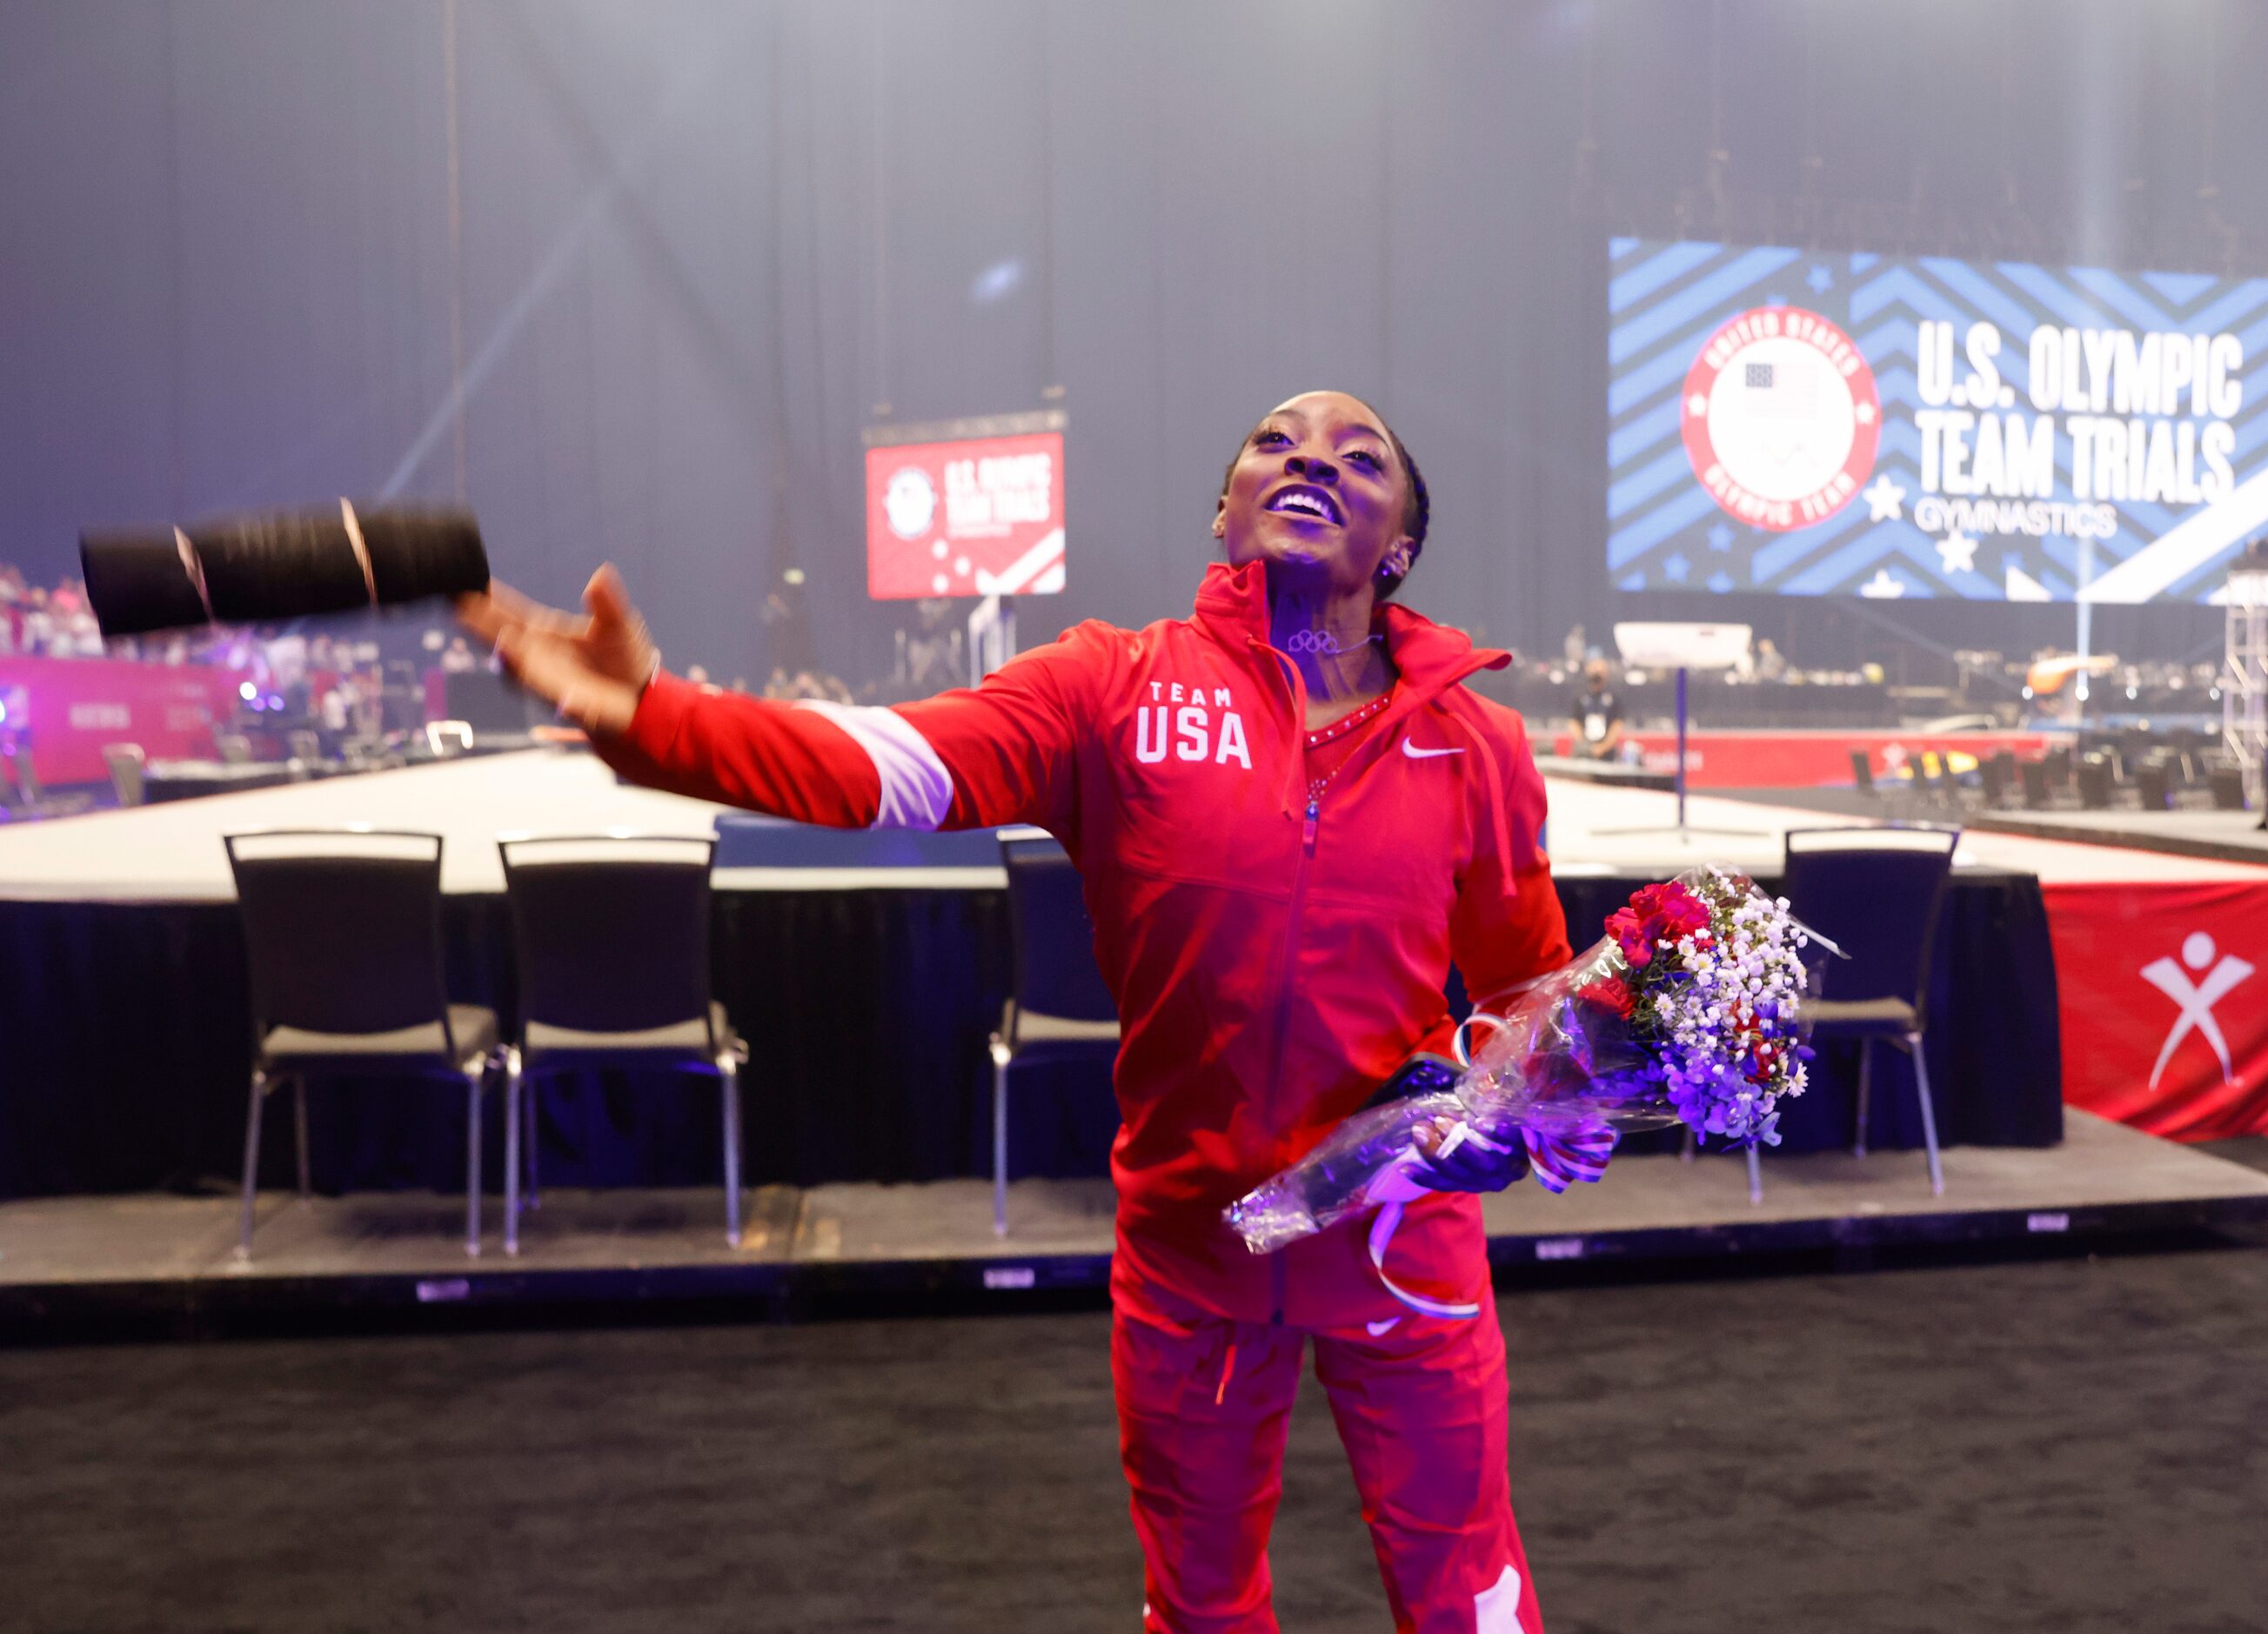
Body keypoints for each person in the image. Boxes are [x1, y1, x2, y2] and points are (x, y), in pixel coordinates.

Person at [461, 391, 1599, 1634]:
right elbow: (878, 766)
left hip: (1403, 1255)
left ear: (1398, 548)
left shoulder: (1472, 744)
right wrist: (657, 719)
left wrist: (1525, 1104)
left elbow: (1521, 994)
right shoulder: (1106, 689)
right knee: (1202, 1608)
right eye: (1271, 443)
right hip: (1192, 1257)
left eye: (1357, 454)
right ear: (1222, 515)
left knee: (1468, 1600)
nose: (1308, 458)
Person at [1567, 660, 1624, 761]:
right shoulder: (1579, 695)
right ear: (1587, 670)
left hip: (1607, 753)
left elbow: (1617, 724)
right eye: (1594, 669)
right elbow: (1574, 722)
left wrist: (1603, 747)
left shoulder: (1614, 696)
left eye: (1600, 670)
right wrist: (1586, 747)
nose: (1596, 673)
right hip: (1583, 752)